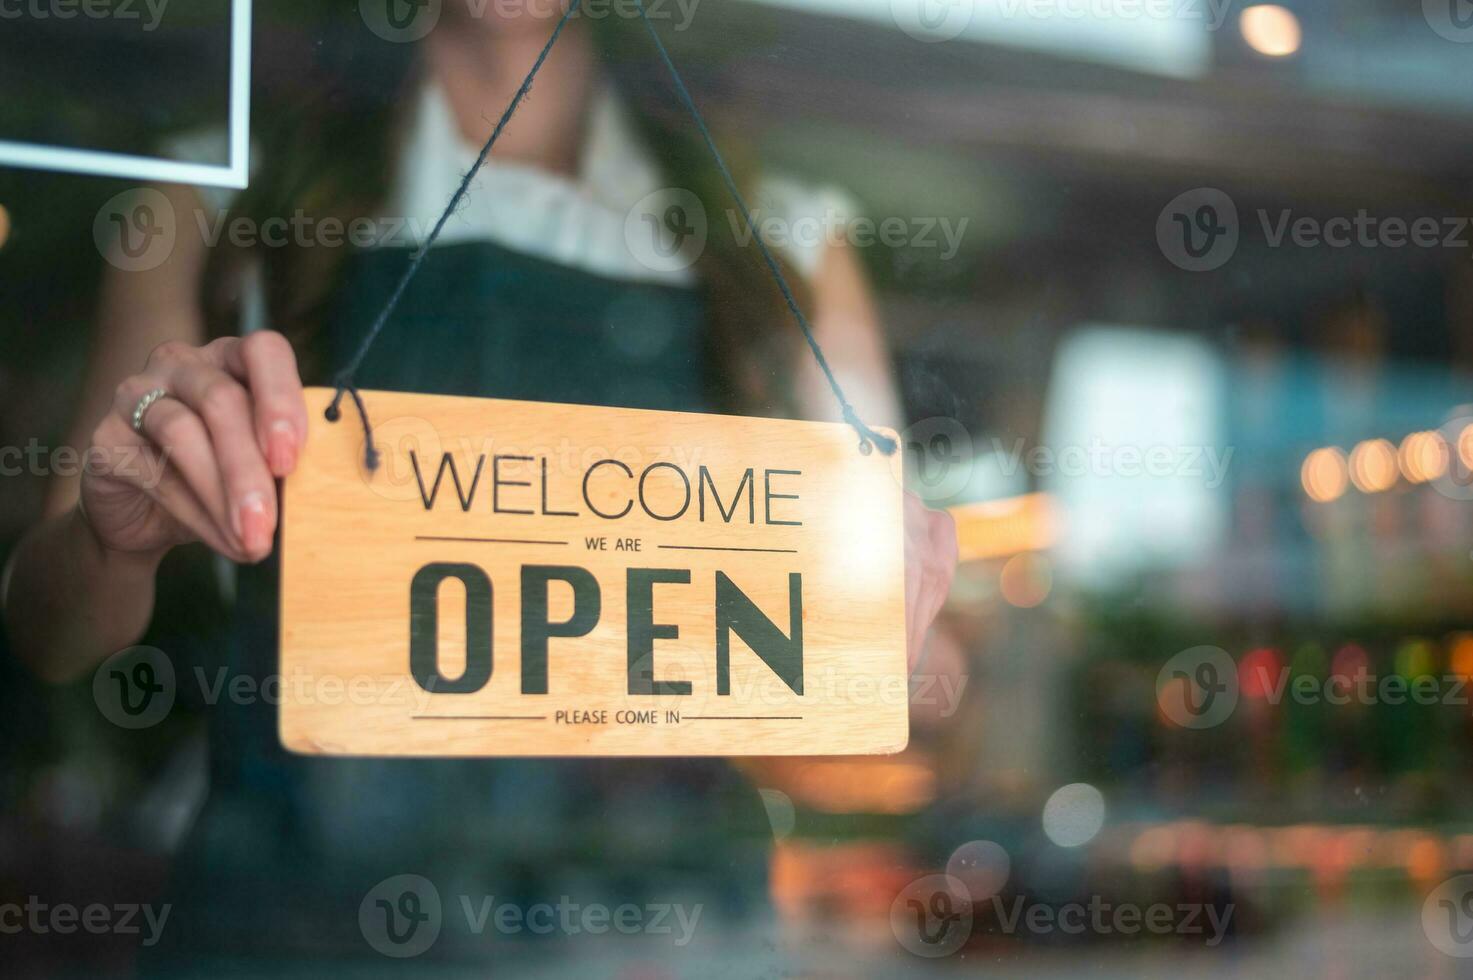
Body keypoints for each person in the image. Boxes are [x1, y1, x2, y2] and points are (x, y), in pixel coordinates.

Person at [2, 2, 957, 970]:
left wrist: (894, 633)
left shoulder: (782, 234)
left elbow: (914, 670)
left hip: (654, 932)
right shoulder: (210, 200)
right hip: (299, 919)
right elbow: (52, 634)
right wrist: (111, 535)